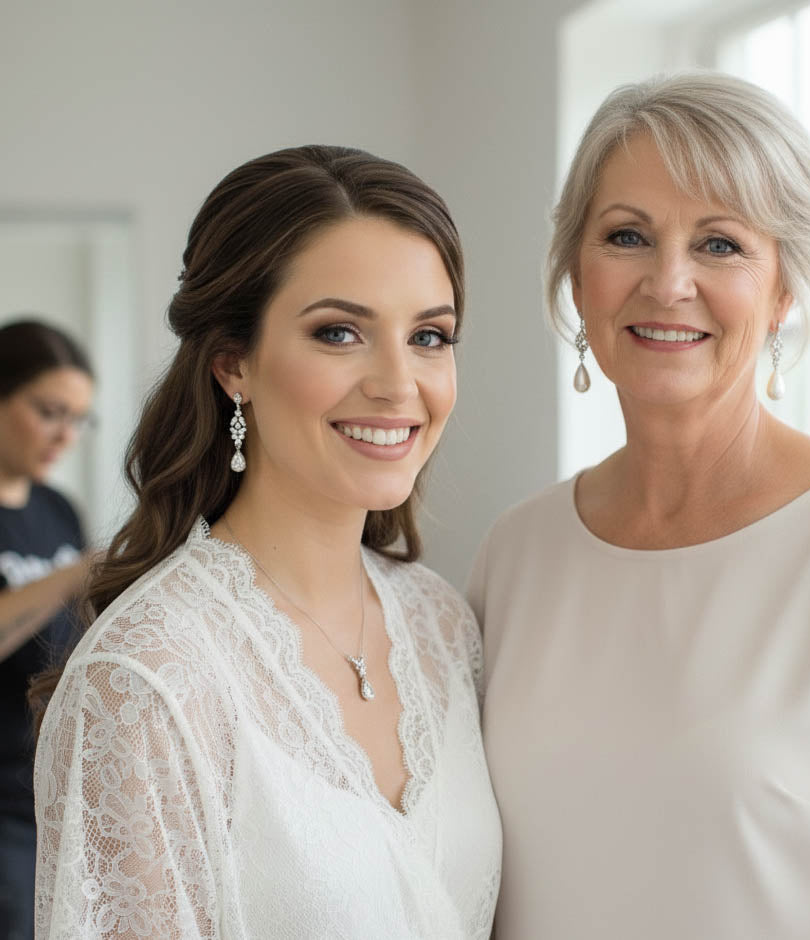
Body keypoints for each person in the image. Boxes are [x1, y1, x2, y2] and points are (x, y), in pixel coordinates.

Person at [468, 72, 810, 939]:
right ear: (579, 275)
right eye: (627, 236)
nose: (668, 280)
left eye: (720, 245)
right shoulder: (517, 553)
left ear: (783, 291)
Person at [31, 146, 501, 939]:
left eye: (429, 336)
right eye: (340, 332)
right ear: (233, 364)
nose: (398, 383)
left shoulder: (443, 624)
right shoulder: (147, 682)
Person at [0, 319, 95, 940]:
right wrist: (72, 575)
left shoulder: (58, 510)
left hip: (53, 795)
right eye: (49, 412)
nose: (65, 436)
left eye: (79, 419)